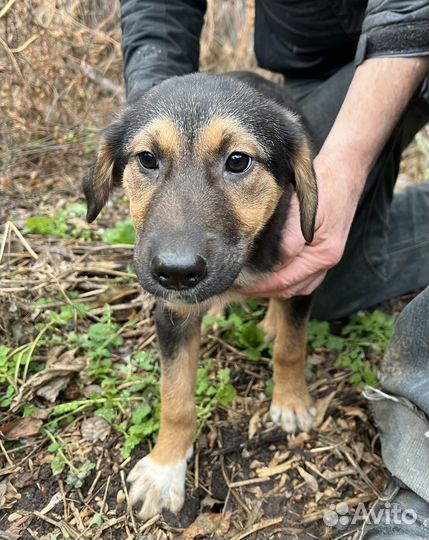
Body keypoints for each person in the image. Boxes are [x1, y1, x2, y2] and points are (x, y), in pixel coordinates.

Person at [119, 2, 429, 537]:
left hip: (399, 59)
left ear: (298, 179)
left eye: (236, 162)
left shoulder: (285, 161)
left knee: (308, 278)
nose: (175, 258)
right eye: (146, 162)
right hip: (299, 69)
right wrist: (152, 109)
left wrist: (347, 166)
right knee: (202, 293)